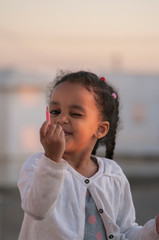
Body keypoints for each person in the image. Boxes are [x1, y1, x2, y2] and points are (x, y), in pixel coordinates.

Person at [18, 71, 159, 240]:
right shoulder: (36, 165)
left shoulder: (113, 175)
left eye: (75, 114)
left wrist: (154, 231)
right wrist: (52, 160)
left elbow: (125, 232)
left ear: (100, 129)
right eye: (55, 111)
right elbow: (37, 210)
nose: (61, 119)